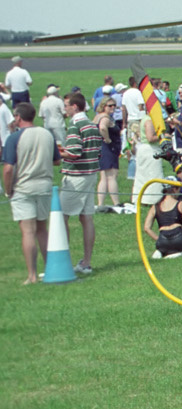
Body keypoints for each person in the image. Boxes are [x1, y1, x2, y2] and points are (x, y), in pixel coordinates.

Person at [3, 103, 59, 283]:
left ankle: (32, 275)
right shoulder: (47, 134)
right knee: (42, 229)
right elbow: (56, 161)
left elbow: (8, 169)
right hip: (44, 185)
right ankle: (51, 269)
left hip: (23, 187)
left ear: (18, 117)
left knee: (28, 232)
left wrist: (8, 190)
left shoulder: (14, 138)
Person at [59, 92, 102, 275]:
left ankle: (62, 261)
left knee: (61, 217)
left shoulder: (75, 125)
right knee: (86, 218)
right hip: (91, 174)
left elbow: (74, 153)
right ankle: (86, 261)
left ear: (75, 107)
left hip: (76, 176)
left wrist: (57, 153)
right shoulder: (93, 125)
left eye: (66, 105)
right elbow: (96, 150)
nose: (65, 109)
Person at [144, 185, 182, 259]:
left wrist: (158, 239)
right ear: (174, 189)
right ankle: (179, 253)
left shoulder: (155, 207)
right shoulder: (181, 204)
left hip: (163, 240)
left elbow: (146, 228)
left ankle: (162, 252)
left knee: (164, 248)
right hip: (179, 238)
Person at [94, 96, 122, 209]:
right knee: (112, 176)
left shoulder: (97, 117)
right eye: (110, 105)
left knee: (103, 176)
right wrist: (108, 139)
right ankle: (116, 202)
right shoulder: (105, 118)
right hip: (108, 148)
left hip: (100, 148)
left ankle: (100, 203)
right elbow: (102, 128)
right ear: (103, 106)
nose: (113, 108)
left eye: (114, 105)